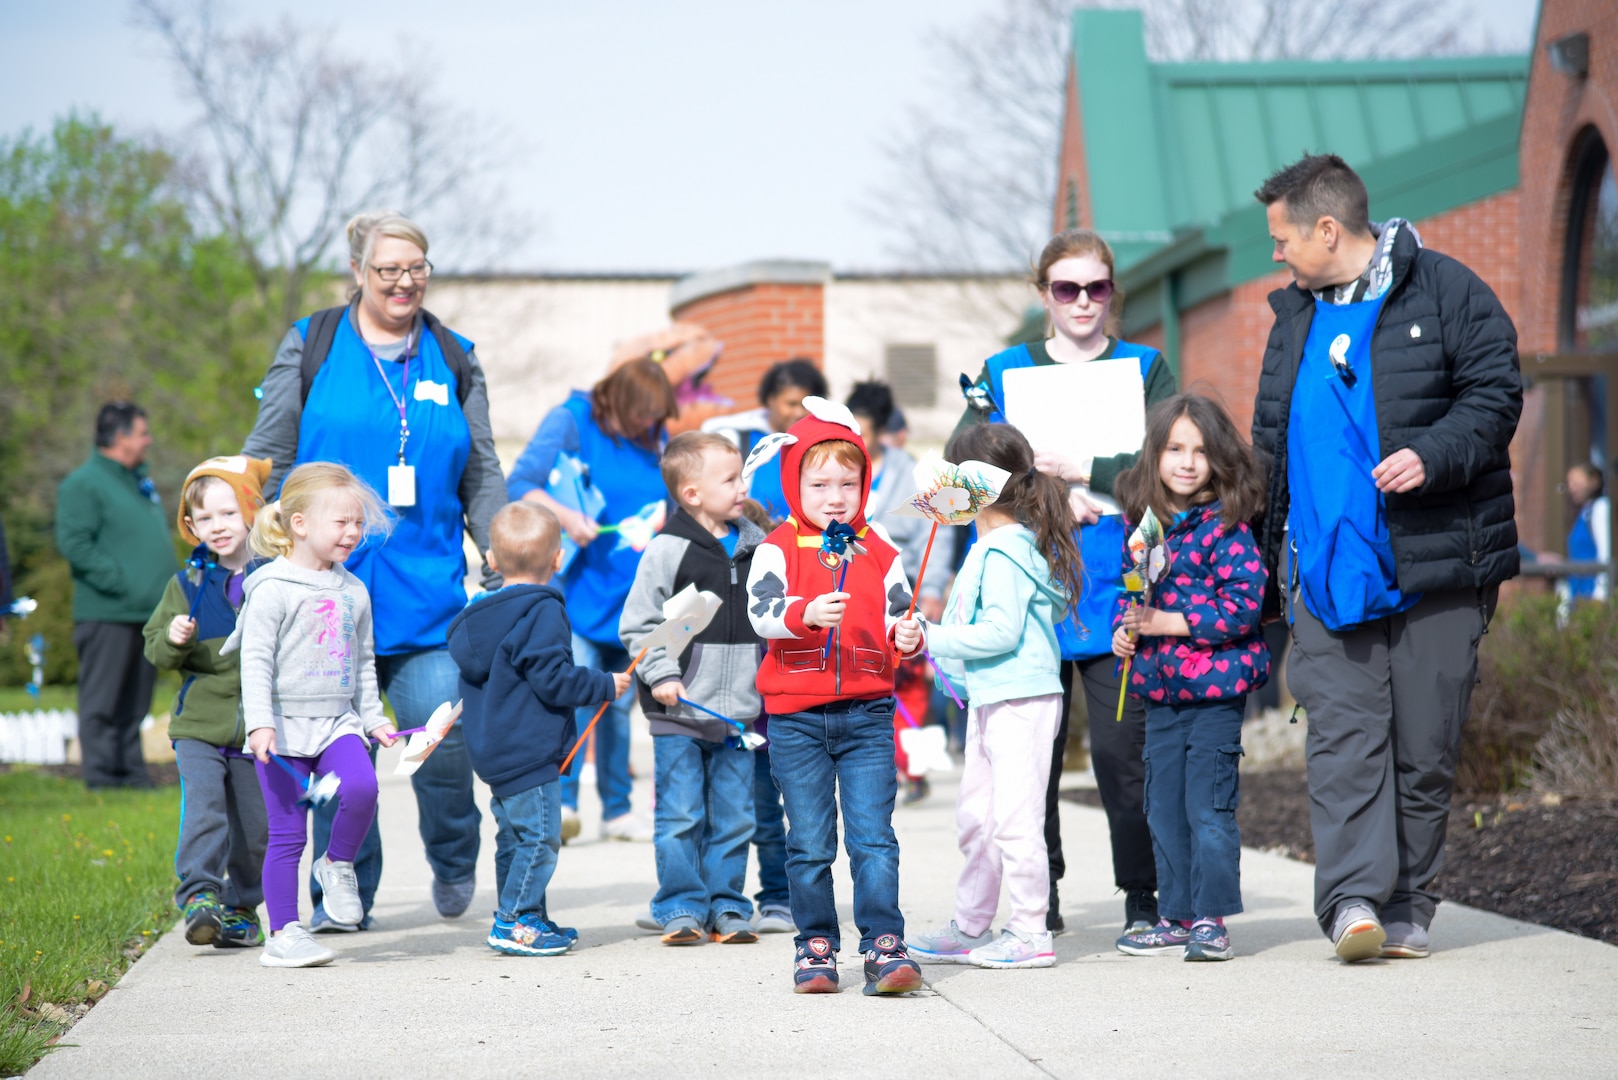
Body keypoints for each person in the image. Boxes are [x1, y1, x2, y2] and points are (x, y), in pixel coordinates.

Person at [1251, 153, 1522, 962]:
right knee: (1342, 740)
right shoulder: (1292, 317)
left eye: (1281, 237)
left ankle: (1408, 904)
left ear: (1327, 229)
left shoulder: (1447, 292)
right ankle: (1352, 902)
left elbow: (1496, 393)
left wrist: (1433, 454)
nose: (1276, 255)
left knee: (1423, 746)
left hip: (1434, 564)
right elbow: (1270, 446)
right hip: (1323, 573)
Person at [243, 210, 504, 929]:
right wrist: (270, 552)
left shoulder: (454, 356)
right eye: (387, 269)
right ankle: (345, 890)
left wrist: (501, 554)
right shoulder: (311, 344)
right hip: (324, 598)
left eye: (415, 268)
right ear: (358, 272)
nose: (402, 282)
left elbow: (480, 468)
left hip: (426, 598)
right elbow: (268, 457)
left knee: (441, 750)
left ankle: (453, 857)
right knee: (336, 760)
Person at [955, 229, 1176, 935]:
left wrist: (1091, 469)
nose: (1083, 301)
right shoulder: (1002, 370)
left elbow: (1178, 465)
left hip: (1123, 584)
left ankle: (1144, 897)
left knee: (1123, 756)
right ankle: (1035, 900)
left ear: (1113, 292)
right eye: (1066, 288)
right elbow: (965, 475)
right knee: (1030, 759)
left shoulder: (1146, 368)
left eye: (1097, 287)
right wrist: (1045, 496)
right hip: (1029, 583)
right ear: (1043, 293)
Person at [743, 396, 927, 996]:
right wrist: (804, 613)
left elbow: (903, 614)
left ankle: (884, 946)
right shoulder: (778, 545)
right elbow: (761, 613)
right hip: (796, 718)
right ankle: (816, 946)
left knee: (874, 835)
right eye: (819, 484)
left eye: (849, 483)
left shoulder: (879, 548)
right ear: (794, 486)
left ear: (865, 482)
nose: (835, 497)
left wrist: (910, 633)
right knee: (810, 840)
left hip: (868, 715)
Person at [906, 423, 1081, 970]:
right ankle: (970, 925)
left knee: (1014, 818)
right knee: (977, 816)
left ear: (972, 488)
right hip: (993, 697)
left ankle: (1031, 932)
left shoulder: (1004, 551)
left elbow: (1002, 632)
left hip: (1020, 700)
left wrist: (934, 637)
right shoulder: (993, 546)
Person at [1110, 396, 1270, 962]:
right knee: (1164, 807)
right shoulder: (1146, 531)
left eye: (1200, 451)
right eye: (1175, 448)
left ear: (1219, 459)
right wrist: (1125, 632)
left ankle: (1211, 918)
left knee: (1208, 806)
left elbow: (1243, 607)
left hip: (1214, 695)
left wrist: (1166, 622)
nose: (1186, 461)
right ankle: (1177, 913)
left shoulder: (1227, 529)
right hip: (1160, 692)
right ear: (1154, 455)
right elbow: (1130, 599)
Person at [224, 463, 399, 969]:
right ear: (299, 524)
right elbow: (253, 660)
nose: (353, 532)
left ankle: (338, 863)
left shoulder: (354, 591)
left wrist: (374, 719)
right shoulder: (272, 587)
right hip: (282, 727)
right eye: (341, 522)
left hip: (337, 722)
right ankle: (284, 932)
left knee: (363, 788)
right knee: (287, 833)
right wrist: (260, 723)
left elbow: (362, 661)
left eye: (358, 523)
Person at [506, 357, 679, 843]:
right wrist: (566, 516)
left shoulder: (656, 440)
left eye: (655, 417)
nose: (647, 424)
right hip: (578, 592)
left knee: (620, 706)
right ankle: (562, 803)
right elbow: (519, 484)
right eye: (640, 415)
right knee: (574, 698)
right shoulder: (573, 419)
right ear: (617, 401)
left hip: (634, 597)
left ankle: (618, 808)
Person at [446, 502, 629, 956]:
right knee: (541, 836)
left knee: (513, 837)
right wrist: (605, 684)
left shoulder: (479, 614)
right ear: (558, 559)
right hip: (528, 749)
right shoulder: (542, 611)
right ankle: (515, 920)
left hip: (493, 749)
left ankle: (528, 915)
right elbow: (554, 680)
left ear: (490, 561)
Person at [620, 432, 765, 946]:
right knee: (681, 812)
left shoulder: (758, 548)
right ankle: (680, 904)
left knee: (734, 815)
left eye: (742, 475)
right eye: (730, 479)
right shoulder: (666, 550)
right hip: (678, 708)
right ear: (693, 494)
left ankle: (727, 905)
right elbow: (638, 624)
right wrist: (661, 674)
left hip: (740, 711)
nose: (742, 486)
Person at [142, 456, 274, 950]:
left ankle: (240, 908)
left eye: (227, 513)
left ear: (252, 512)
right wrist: (174, 638)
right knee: (204, 810)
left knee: (257, 827)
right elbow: (154, 647)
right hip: (199, 724)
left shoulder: (275, 578)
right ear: (190, 525)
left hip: (258, 728)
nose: (216, 526)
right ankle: (200, 895)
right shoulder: (187, 586)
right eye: (204, 518)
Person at [56, 402, 177, 790]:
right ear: (120, 437)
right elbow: (74, 543)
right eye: (142, 433)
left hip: (144, 612)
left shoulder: (138, 480)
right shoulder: (84, 483)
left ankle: (131, 772)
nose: (149, 440)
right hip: (108, 611)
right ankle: (103, 776)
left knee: (135, 704)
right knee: (103, 702)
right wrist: (120, 580)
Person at [846, 381, 955, 805]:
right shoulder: (838, 472)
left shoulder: (910, 472)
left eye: (866, 430)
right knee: (867, 683)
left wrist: (931, 592)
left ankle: (913, 769)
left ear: (881, 430)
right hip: (855, 594)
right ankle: (875, 766)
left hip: (904, 592)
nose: (860, 439)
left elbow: (936, 534)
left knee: (908, 682)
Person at [704, 358, 828, 525]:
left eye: (805, 405)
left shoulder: (820, 444)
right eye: (791, 403)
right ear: (770, 399)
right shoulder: (737, 437)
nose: (799, 412)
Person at [1560, 463, 1608, 605]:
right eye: (1569, 483)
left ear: (1593, 481)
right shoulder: (1583, 513)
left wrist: (1600, 594)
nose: (1571, 488)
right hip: (1578, 595)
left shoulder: (1601, 509)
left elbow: (1605, 554)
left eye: (1576, 482)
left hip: (1593, 596)